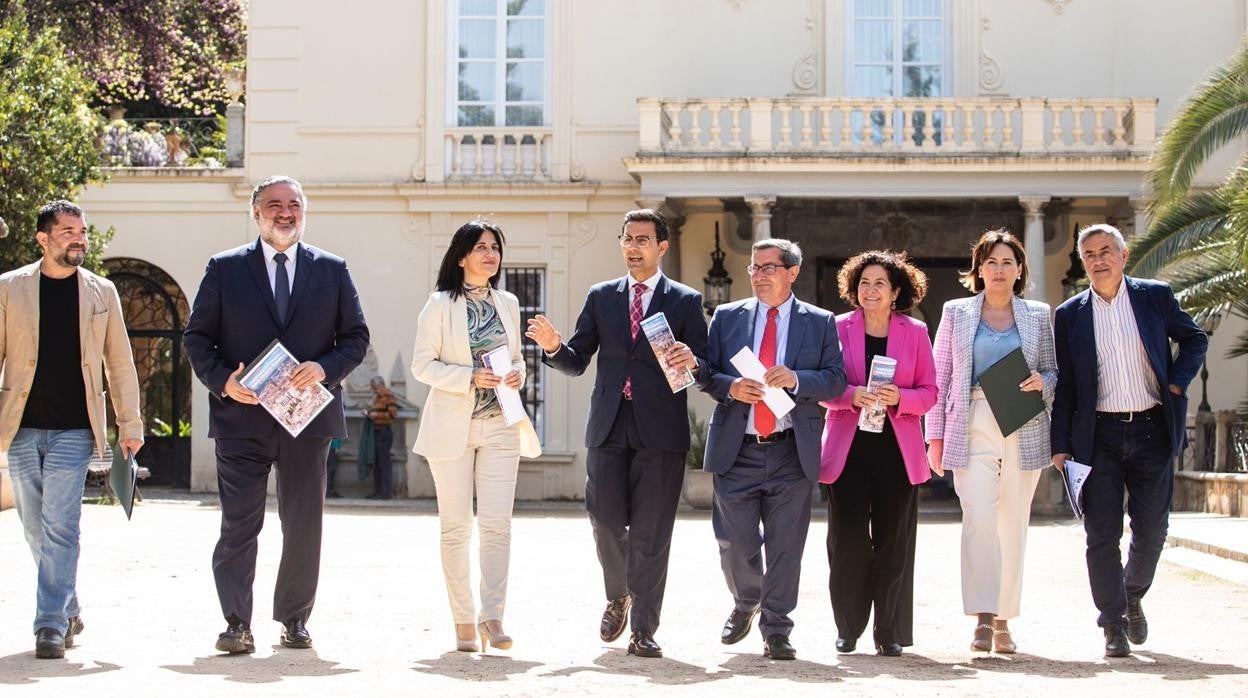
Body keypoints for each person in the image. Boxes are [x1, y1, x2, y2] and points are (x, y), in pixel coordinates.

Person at [183, 175, 370, 654]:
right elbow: (197, 338)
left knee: (304, 524)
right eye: (274, 205)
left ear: (304, 211)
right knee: (239, 525)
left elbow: (355, 338)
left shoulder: (332, 269)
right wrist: (224, 382)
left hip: (308, 420)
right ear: (255, 213)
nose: (285, 213)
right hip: (241, 419)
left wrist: (324, 368)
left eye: (294, 205)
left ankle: (294, 619)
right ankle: (236, 623)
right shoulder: (224, 268)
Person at [525, 209, 705, 659]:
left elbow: (703, 365)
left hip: (660, 430)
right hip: (608, 424)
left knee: (651, 532)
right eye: (627, 239)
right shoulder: (602, 296)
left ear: (662, 246)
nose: (633, 247)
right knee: (604, 519)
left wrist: (693, 360)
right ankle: (618, 593)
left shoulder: (685, 301)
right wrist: (553, 347)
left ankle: (643, 628)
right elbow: (577, 360)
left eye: (643, 239)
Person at [1051, 223, 1207, 658]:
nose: (1098, 260)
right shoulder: (1070, 315)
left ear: (1124, 256)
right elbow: (1066, 384)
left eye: (1106, 251)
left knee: (1153, 529)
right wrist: (1060, 443)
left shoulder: (1155, 297)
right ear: (1083, 263)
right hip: (1097, 436)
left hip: (1152, 429)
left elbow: (1195, 338)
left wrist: (1176, 383)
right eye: (1089, 254)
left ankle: (1131, 594)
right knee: (1101, 534)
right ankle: (1112, 623)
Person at [0, 200, 144, 659]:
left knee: (62, 525)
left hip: (76, 429)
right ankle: (68, 606)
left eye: (82, 232)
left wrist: (130, 422)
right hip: (21, 426)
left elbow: (119, 361)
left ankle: (48, 624)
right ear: (43, 239)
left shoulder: (102, 291)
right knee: (33, 528)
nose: (79, 239)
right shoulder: (10, 288)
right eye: (67, 232)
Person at [696, 238, 845, 661]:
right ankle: (746, 601)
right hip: (737, 448)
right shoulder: (727, 317)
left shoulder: (820, 322)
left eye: (768, 268)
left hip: (790, 450)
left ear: (792, 272)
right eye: (754, 268)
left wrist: (797, 379)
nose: (758, 275)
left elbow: (835, 379)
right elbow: (706, 374)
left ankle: (777, 627)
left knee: (786, 547)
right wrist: (731, 387)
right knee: (734, 541)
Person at [411, 220, 541, 653]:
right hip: (454, 427)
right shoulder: (438, 305)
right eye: (481, 247)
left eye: (495, 248)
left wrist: (518, 372)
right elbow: (422, 366)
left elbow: (516, 358)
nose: (490, 255)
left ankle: (493, 616)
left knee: (497, 525)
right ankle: (463, 619)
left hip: (502, 423)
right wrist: (469, 377)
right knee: (456, 528)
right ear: (462, 255)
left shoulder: (508, 302)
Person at [926, 229, 1055, 655]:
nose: (999, 270)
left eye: (1007, 263)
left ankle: (1003, 619)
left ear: (1019, 270)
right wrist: (934, 436)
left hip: (1023, 419)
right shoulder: (956, 312)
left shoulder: (1038, 314)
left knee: (1012, 523)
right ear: (978, 269)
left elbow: (1053, 369)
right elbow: (940, 375)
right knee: (979, 515)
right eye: (991, 262)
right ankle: (982, 614)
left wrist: (1043, 382)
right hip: (972, 419)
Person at [818, 251, 936, 657]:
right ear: (854, 289)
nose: (871, 290)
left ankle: (888, 631)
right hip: (847, 452)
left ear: (896, 291)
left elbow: (930, 393)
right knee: (847, 543)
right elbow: (824, 387)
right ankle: (848, 627)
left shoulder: (916, 332)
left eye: (879, 283)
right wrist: (851, 395)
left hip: (897, 453)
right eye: (864, 283)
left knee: (892, 544)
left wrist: (900, 396)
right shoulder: (835, 328)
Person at [362, 376, 399, 500]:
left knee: (384, 462)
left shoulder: (389, 397)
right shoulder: (377, 398)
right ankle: (378, 492)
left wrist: (376, 415)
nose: (374, 390)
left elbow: (392, 415)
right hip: (376, 432)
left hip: (384, 432)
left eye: (375, 388)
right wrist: (368, 413)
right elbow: (377, 412)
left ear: (381, 386)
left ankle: (385, 492)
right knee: (377, 462)